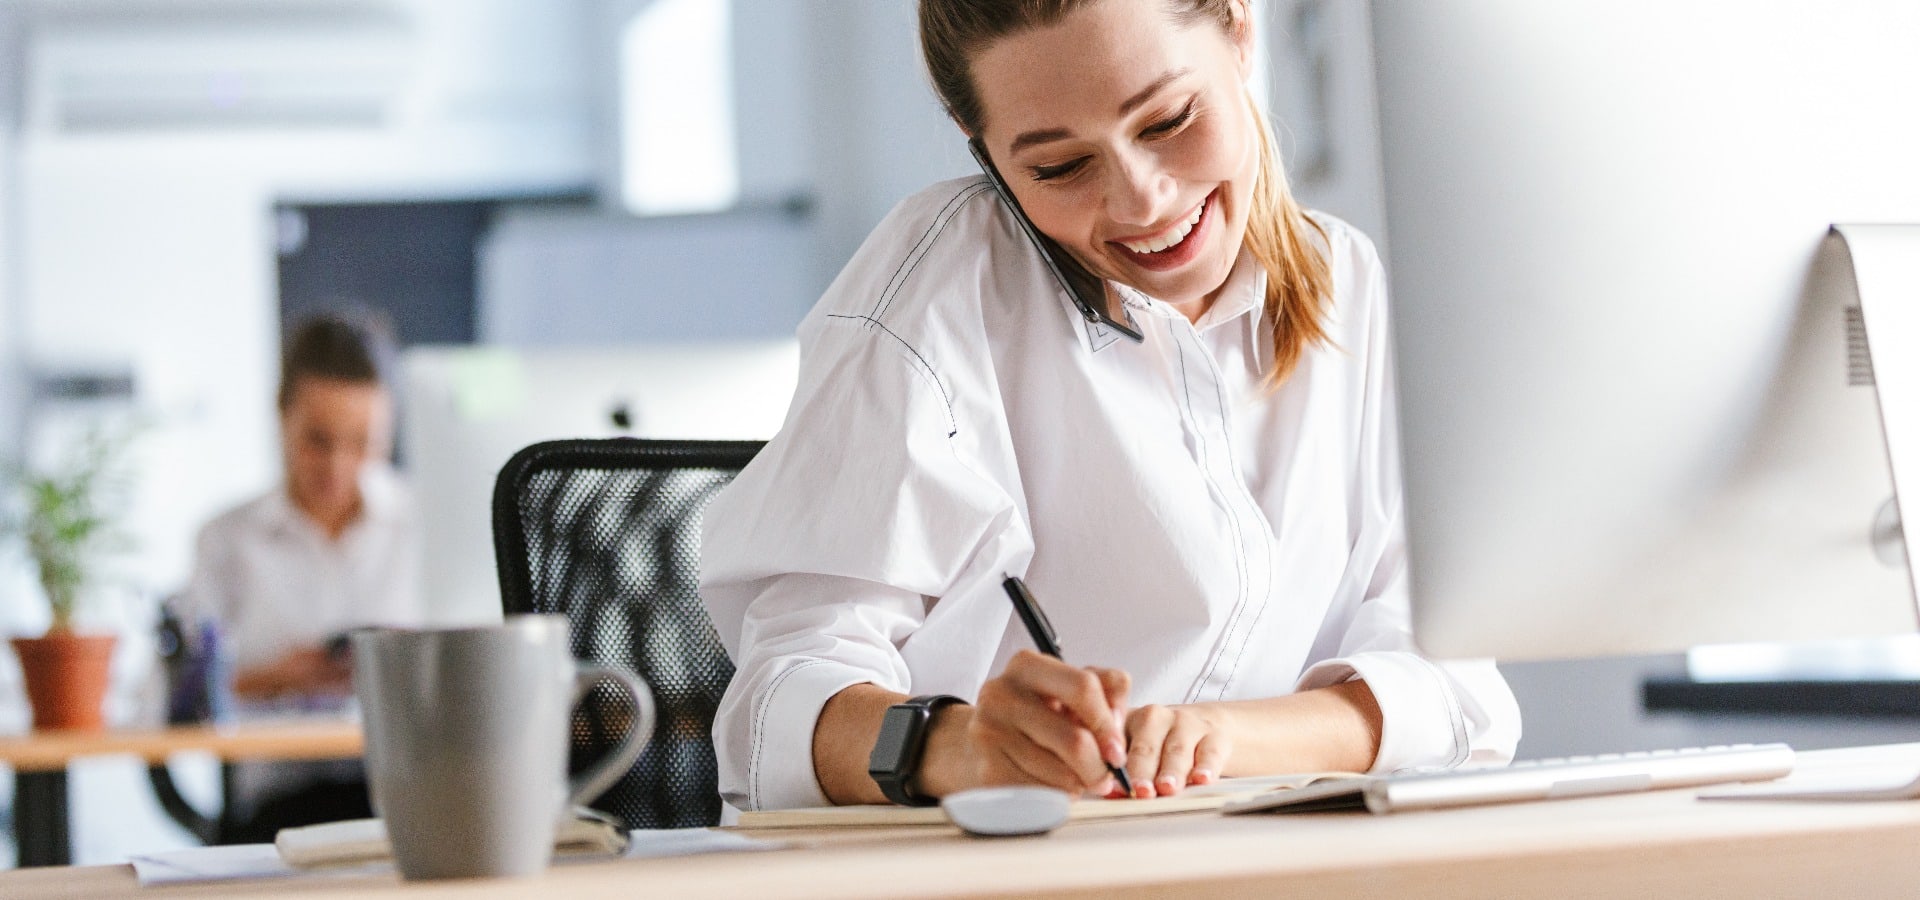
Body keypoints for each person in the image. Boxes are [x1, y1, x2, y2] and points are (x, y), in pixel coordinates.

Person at [701, 0, 1520, 813]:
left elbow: (1450, 683)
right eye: (1059, 167)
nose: (1142, 202)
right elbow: (774, 712)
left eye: (1167, 119)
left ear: (1238, 27)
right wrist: (960, 748)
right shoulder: (939, 301)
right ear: (975, 137)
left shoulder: (1351, 288)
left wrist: (1220, 739)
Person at [178, 314, 425, 837]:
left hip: (413, 795)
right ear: (281, 416)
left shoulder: (427, 525)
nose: (338, 465)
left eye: (363, 443)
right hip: (279, 809)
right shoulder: (227, 539)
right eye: (317, 440)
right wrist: (275, 679)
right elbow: (180, 699)